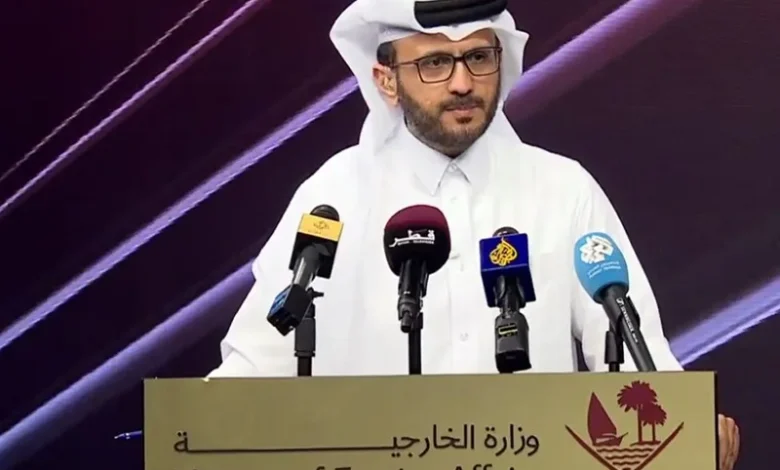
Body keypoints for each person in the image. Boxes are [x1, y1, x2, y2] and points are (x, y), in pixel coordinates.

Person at [208, 0, 738, 466]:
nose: (462, 83)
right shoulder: (335, 198)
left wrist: (685, 428)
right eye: (435, 62)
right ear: (386, 80)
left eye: (479, 57)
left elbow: (631, 345)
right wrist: (195, 438)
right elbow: (256, 369)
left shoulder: (561, 189)